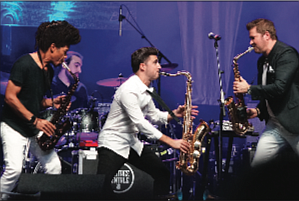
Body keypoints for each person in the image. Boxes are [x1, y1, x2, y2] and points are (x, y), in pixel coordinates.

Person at [97, 46, 199, 199]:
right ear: (142, 66)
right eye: (155, 62)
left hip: (131, 142)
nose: (159, 66)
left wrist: (175, 114)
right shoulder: (129, 90)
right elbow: (140, 123)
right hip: (113, 143)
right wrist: (171, 142)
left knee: (161, 173)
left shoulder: (147, 90)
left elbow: (155, 116)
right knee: (102, 187)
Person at [0, 20, 81, 200]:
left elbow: (35, 101)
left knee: (54, 167)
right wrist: (36, 121)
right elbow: (10, 97)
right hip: (14, 125)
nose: (65, 57)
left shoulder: (49, 70)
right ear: (53, 47)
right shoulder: (24, 64)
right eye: (64, 51)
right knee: (14, 169)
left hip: (32, 126)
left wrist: (52, 102)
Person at [233, 18, 299, 168]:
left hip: (294, 124)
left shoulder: (287, 55)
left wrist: (248, 89)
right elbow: (268, 93)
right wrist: (258, 110)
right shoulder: (262, 61)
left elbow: (279, 88)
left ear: (266, 35)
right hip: (275, 126)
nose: (250, 43)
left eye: (253, 38)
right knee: (257, 168)